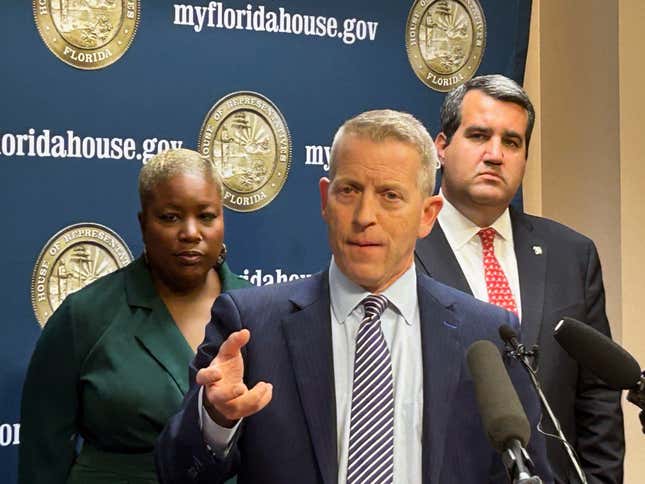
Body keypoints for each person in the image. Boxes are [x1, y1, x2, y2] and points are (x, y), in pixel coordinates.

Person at [155, 110, 553, 483]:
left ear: (428, 215)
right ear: (325, 199)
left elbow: (526, 469)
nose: (365, 215)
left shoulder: (485, 335)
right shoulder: (251, 324)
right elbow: (176, 471)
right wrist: (215, 419)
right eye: (349, 191)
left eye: (390, 196)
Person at [414, 74, 625, 483]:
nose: (495, 154)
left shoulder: (572, 255)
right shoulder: (402, 252)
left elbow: (597, 396)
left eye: (512, 142)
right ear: (441, 148)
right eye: (479, 136)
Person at [19, 148, 250, 483]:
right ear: (143, 223)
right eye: (170, 217)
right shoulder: (84, 316)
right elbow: (42, 458)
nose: (190, 232)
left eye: (206, 216)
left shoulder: (258, 310)